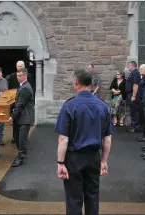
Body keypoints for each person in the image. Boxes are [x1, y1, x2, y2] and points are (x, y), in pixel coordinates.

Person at [54, 69, 113, 215]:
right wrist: (104, 161)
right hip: (94, 157)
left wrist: (60, 163)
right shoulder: (103, 106)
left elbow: (63, 138)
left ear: (76, 82)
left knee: (74, 199)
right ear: (91, 84)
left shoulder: (69, 106)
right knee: (92, 197)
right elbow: (107, 138)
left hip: (74, 158)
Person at [8, 68, 35, 167]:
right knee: (18, 137)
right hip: (21, 116)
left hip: (25, 117)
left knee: (22, 139)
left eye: (19, 76)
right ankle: (21, 154)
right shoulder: (22, 86)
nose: (17, 77)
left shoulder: (25, 88)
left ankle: (21, 158)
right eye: (17, 76)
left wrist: (12, 117)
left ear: (25, 76)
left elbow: (20, 105)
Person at [125, 61, 141, 133]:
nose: (128, 67)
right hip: (130, 94)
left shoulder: (135, 73)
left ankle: (135, 127)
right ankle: (133, 126)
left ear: (132, 66)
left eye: (129, 66)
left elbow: (135, 85)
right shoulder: (133, 73)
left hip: (132, 94)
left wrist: (134, 96)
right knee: (132, 111)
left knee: (135, 111)